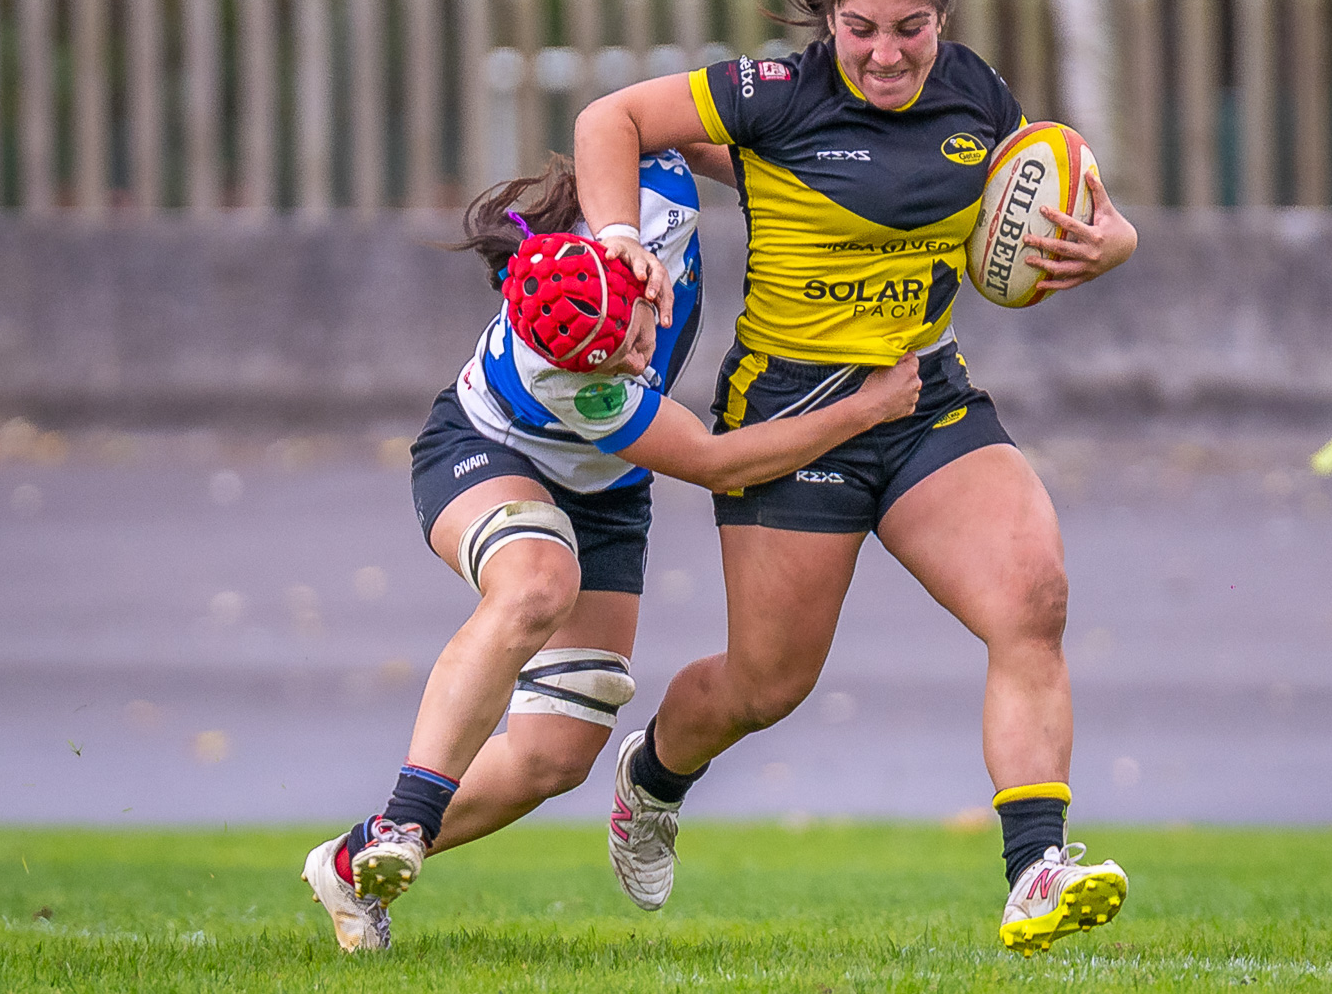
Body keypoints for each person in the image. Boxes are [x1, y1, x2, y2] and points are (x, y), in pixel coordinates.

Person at [570, 0, 1139, 954]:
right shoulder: (771, 96)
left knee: (1033, 596)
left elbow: (1047, 233)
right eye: (862, 28)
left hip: (925, 399)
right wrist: (620, 242)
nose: (886, 53)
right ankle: (651, 775)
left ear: (944, 17)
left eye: (911, 28)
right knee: (765, 683)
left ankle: (1037, 870)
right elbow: (609, 120)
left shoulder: (984, 100)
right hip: (789, 420)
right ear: (829, 18)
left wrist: (1112, 242)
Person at [300, 150, 921, 952]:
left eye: (628, 342)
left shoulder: (654, 203)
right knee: (536, 580)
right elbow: (717, 462)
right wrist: (867, 408)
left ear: (629, 273)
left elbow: (634, 123)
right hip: (491, 452)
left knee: (555, 757)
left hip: (607, 495)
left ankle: (352, 863)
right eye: (614, 365)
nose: (637, 363)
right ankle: (406, 818)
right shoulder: (566, 379)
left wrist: (834, 199)